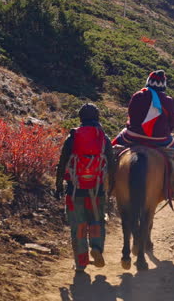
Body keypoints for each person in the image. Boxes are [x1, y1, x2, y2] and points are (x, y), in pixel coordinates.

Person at [113, 70, 174, 201]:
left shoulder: (138, 96)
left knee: (112, 147)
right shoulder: (168, 100)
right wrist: (165, 131)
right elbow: (172, 122)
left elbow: (131, 115)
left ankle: (105, 183)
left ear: (148, 82)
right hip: (159, 140)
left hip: (133, 136)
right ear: (163, 85)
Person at [55, 103, 116, 272]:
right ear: (97, 118)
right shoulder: (103, 138)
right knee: (97, 221)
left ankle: (81, 263)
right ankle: (96, 248)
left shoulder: (73, 137)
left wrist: (58, 185)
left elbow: (62, 163)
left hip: (75, 191)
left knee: (78, 226)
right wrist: (110, 187)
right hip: (97, 190)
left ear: (80, 118)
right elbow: (112, 164)